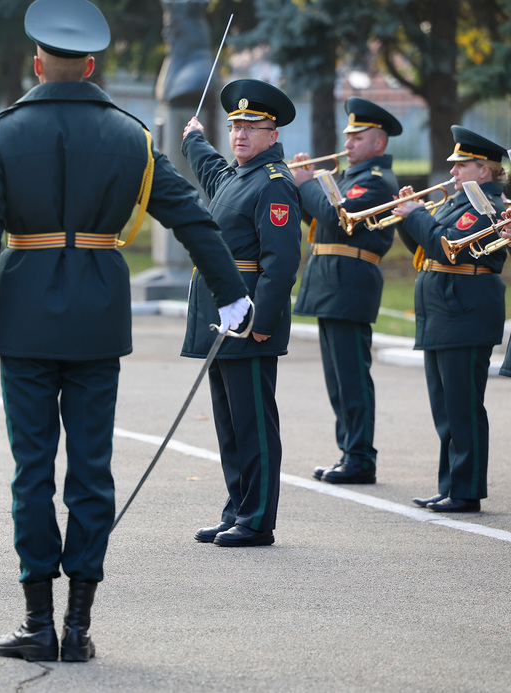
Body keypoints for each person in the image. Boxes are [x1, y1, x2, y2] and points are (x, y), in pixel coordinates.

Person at [0, 0, 249, 663]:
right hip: (99, 316)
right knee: (91, 469)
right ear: (89, 65)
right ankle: (78, 625)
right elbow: (191, 216)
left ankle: (37, 621)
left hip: (24, 317)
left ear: (37, 63)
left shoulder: (2, 133)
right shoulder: (130, 135)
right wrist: (231, 290)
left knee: (33, 472)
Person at [181, 79, 302, 548]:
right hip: (221, 320)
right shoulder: (238, 177)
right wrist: (194, 139)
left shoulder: (274, 185)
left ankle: (257, 519)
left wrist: (261, 325)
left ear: (273, 135)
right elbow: (212, 171)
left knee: (252, 423)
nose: (240, 134)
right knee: (230, 424)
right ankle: (236, 508)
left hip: (247, 321)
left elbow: (281, 264)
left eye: (252, 126)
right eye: (234, 125)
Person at [391, 126, 507, 513]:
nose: (453, 173)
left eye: (461, 166)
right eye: (453, 165)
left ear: (485, 170)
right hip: (444, 312)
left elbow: (447, 247)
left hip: (465, 310)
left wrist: (418, 214)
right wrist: (409, 219)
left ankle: (466, 490)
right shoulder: (460, 201)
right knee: (445, 409)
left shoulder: (486, 205)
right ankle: (451, 485)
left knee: (463, 406)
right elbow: (429, 246)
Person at [290, 98, 402, 485]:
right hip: (331, 282)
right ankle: (349, 452)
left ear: (379, 144)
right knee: (338, 380)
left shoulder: (375, 181)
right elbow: (320, 218)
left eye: (359, 137)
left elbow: (340, 220)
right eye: (349, 136)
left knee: (352, 377)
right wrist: (306, 186)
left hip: (349, 283)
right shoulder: (351, 177)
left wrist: (308, 184)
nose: (349, 143)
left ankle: (360, 457)